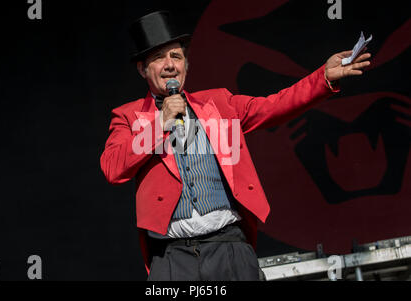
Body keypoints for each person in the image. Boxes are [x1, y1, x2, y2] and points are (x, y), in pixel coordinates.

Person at [100, 11, 371, 280]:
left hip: (228, 247)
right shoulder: (128, 116)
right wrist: (159, 124)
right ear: (142, 69)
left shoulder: (219, 103)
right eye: (159, 58)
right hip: (172, 257)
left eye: (176, 56)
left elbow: (276, 105)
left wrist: (322, 78)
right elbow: (113, 168)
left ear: (186, 65)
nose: (170, 65)